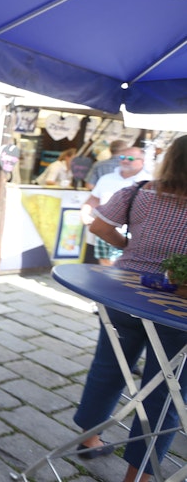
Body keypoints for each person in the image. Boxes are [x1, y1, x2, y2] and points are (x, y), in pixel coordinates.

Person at [74, 135, 187, 481]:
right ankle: (138, 475)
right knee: (166, 391)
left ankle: (89, 437)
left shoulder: (139, 192)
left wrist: (129, 246)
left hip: (123, 294)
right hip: (175, 306)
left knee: (109, 366)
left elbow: (97, 224)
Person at [79, 146, 151, 265]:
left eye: (131, 158)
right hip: (103, 233)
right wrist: (85, 214)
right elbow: (92, 200)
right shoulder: (106, 178)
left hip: (131, 237)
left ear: (142, 161)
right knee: (101, 270)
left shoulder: (149, 182)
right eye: (122, 157)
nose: (125, 160)